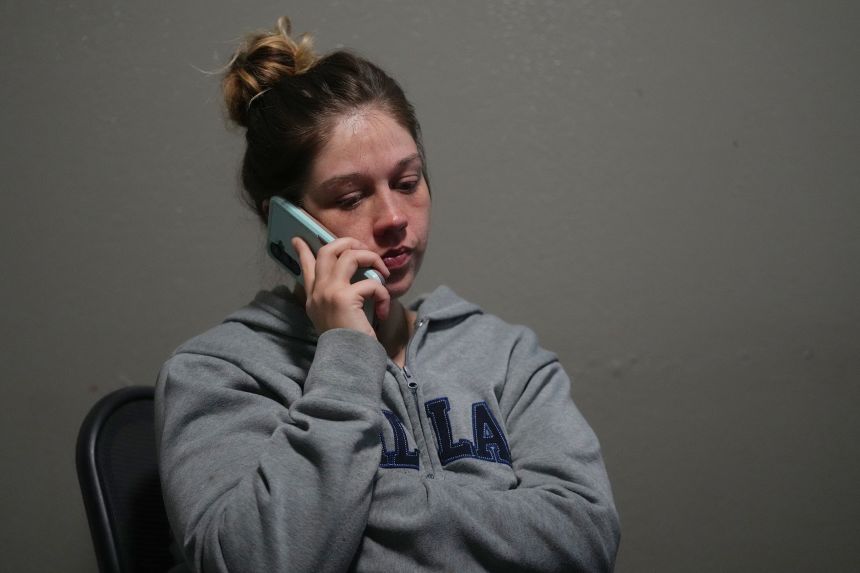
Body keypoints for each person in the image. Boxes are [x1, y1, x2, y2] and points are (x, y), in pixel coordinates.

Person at [155, 17, 620, 573]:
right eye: (350, 198)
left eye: (407, 182)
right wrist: (345, 357)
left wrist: (354, 507)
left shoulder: (507, 356)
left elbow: (585, 540)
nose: (395, 218)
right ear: (283, 221)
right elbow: (259, 559)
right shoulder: (217, 372)